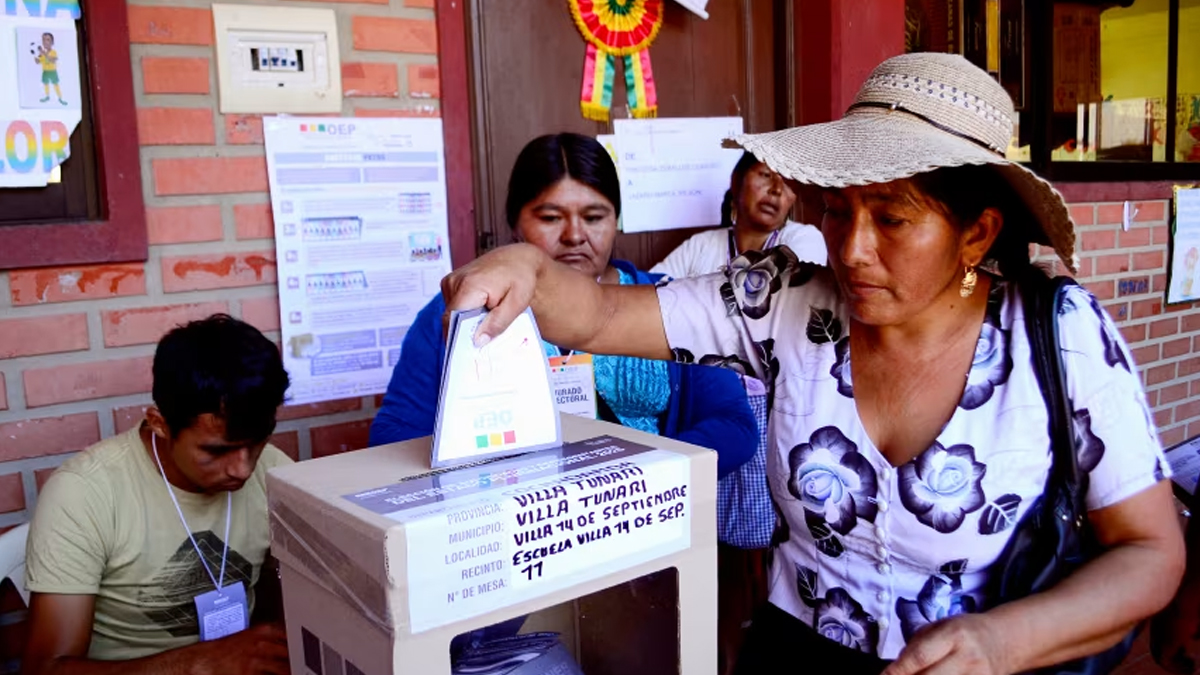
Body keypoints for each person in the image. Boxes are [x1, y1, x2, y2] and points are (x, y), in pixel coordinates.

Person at [439, 53, 1185, 674]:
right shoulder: (784, 302)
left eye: (891, 218)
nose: (851, 248)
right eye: (836, 210)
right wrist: (527, 272)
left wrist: (1003, 640)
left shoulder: (1056, 335)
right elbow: (601, 313)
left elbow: (1152, 552)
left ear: (976, 232)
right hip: (795, 655)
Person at [371, 132, 758, 480]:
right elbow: (395, 436)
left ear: (617, 221)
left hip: (648, 522)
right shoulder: (461, 308)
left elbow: (734, 425)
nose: (575, 235)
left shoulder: (668, 303)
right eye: (551, 218)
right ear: (515, 224)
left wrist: (627, 484)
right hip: (516, 534)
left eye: (594, 217)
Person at [24, 315, 293, 675]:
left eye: (257, 442)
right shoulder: (84, 493)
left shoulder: (275, 472)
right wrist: (199, 663)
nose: (242, 469)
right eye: (216, 451)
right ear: (160, 423)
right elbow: (45, 669)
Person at [650, 151, 825, 279]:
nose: (777, 189)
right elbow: (653, 287)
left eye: (788, 183)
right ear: (736, 181)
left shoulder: (804, 239)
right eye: (766, 175)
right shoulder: (701, 246)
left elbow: (785, 297)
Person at [35, 32, 65, 106]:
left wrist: (43, 53)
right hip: (45, 71)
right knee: (46, 84)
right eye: (43, 40)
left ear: (52, 42)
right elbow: (38, 62)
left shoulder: (53, 52)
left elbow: (52, 60)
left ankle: (60, 98)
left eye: (47, 40)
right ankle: (47, 96)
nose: (45, 42)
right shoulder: (42, 53)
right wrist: (36, 57)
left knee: (55, 85)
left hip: (52, 72)